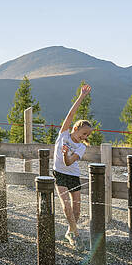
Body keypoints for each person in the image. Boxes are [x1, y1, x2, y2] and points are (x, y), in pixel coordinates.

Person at [53, 84, 93, 251]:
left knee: (77, 210)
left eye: (87, 135)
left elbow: (69, 162)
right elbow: (71, 114)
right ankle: (75, 234)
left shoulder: (82, 147)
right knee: (66, 205)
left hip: (73, 174)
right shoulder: (64, 134)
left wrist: (65, 155)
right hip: (59, 173)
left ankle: (71, 231)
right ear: (75, 129)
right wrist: (81, 96)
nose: (84, 137)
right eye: (83, 133)